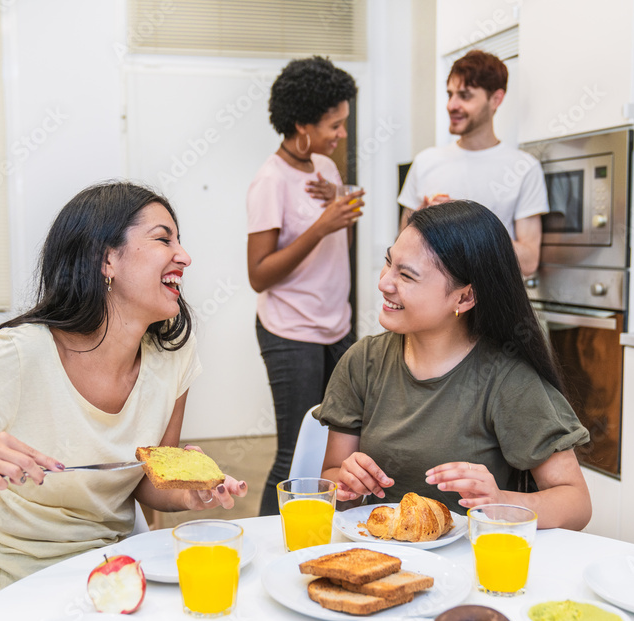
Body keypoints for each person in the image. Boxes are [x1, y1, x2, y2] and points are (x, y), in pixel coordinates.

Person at [0, 182, 247, 620]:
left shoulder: (174, 355)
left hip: (113, 584)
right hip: (8, 595)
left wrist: (189, 493)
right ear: (107, 259)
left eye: (179, 240)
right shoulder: (18, 354)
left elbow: (146, 479)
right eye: (164, 239)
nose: (184, 255)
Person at [317, 200, 592, 530]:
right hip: (379, 557)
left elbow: (576, 504)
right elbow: (330, 477)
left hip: (468, 569)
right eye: (388, 263)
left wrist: (500, 502)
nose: (384, 283)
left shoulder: (506, 379)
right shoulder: (362, 362)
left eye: (406, 275)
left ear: (464, 298)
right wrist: (345, 485)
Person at [246, 56, 363, 516]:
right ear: (301, 124)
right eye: (334, 125)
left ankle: (321, 540)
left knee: (340, 451)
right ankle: (268, 548)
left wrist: (340, 204)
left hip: (338, 326)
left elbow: (339, 242)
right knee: (295, 458)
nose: (342, 135)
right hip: (290, 331)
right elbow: (259, 273)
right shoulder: (268, 181)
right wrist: (322, 224)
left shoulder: (326, 169)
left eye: (344, 123)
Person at [397, 50, 547, 276]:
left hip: (494, 308)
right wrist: (424, 221)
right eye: (450, 94)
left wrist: (468, 224)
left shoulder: (524, 168)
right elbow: (402, 250)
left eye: (465, 96)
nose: (451, 105)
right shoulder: (425, 162)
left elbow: (528, 262)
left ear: (496, 99)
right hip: (433, 308)